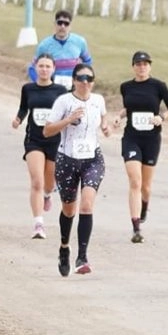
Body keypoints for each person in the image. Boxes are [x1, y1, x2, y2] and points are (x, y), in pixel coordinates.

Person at [42, 64, 110, 276]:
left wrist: (106, 126)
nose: (85, 82)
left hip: (92, 159)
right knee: (69, 210)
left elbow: (103, 115)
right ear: (73, 81)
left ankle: (82, 256)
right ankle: (64, 247)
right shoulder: (64, 101)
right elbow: (47, 131)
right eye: (81, 78)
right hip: (67, 159)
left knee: (87, 205)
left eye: (89, 79)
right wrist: (68, 120)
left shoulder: (98, 100)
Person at [117, 50, 168, 243]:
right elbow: (129, 107)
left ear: (149, 66)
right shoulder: (126, 87)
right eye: (138, 64)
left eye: (145, 64)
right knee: (135, 181)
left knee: (146, 186)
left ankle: (144, 205)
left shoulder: (158, 86)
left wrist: (161, 117)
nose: (142, 67)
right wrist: (120, 116)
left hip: (151, 139)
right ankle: (136, 227)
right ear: (133, 66)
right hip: (131, 137)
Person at [12, 54, 68, 239]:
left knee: (49, 183)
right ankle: (38, 224)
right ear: (35, 68)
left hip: (55, 141)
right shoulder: (28, 88)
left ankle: (47, 195)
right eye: (41, 66)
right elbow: (24, 108)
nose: (44, 69)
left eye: (47, 66)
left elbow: (66, 113)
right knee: (37, 181)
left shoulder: (61, 91)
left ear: (53, 69)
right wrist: (18, 119)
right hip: (34, 140)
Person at [30, 10, 91, 89]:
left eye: (66, 24)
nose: (62, 26)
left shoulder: (80, 42)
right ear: (55, 24)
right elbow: (32, 67)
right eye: (60, 23)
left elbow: (87, 61)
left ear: (70, 26)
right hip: (51, 88)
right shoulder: (44, 45)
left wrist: (82, 78)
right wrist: (40, 84)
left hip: (73, 88)